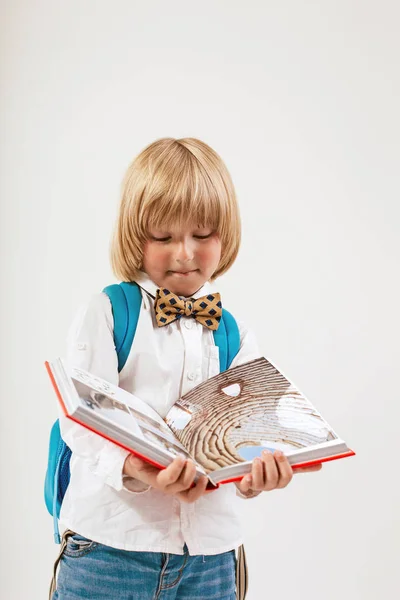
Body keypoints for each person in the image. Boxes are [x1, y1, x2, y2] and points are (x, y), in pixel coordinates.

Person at [52, 137, 321, 600]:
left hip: (211, 561)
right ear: (135, 236)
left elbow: (241, 439)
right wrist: (136, 468)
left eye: (202, 235)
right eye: (164, 237)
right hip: (111, 550)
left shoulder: (233, 333)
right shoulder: (109, 313)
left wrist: (256, 476)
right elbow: (81, 424)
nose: (185, 253)